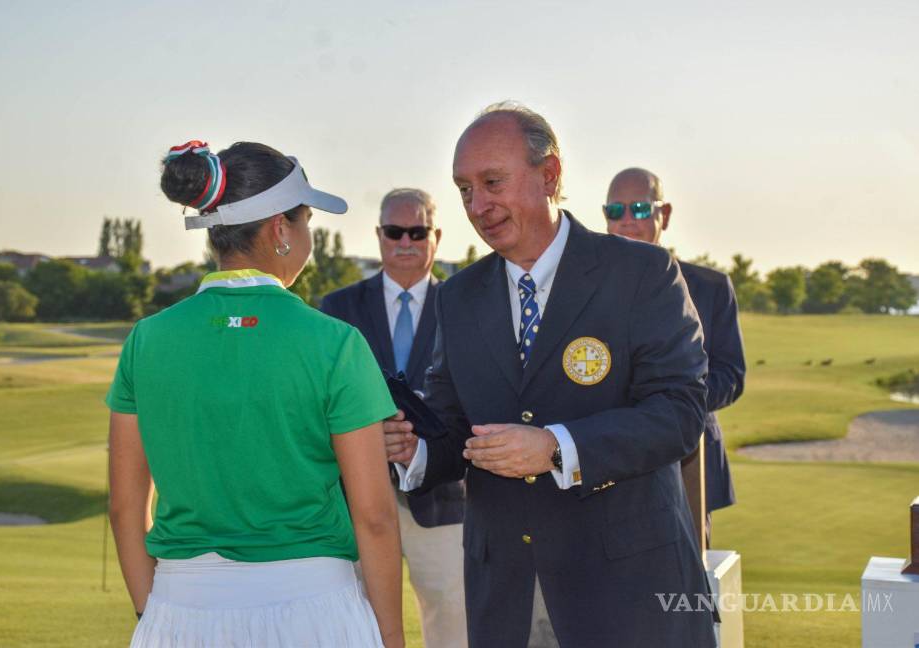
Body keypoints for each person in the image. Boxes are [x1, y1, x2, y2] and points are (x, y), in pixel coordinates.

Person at [384, 104, 717, 647]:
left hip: (628, 593)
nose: (478, 205)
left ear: (551, 175)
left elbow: (680, 413)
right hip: (507, 597)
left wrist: (557, 447)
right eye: (465, 189)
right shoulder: (459, 296)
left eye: (493, 182)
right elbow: (452, 420)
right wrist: (412, 447)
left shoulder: (639, 273)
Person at [106, 140, 404, 648]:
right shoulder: (334, 342)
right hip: (315, 612)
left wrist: (151, 612)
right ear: (278, 230)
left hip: (180, 610)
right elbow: (374, 517)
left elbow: (125, 508)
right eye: (306, 219)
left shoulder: (147, 339)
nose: (309, 235)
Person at [320, 188, 467, 648]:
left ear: (436, 236)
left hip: (443, 498)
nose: (405, 241)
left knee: (454, 619)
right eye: (394, 231)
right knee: (358, 621)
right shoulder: (338, 309)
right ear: (379, 235)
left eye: (417, 232)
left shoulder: (465, 306)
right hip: (357, 495)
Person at [603, 167, 745, 544]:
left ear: (663, 214)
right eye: (615, 211)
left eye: (639, 208)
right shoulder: (586, 291)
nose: (627, 221)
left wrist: (669, 408)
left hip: (690, 460)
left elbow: (731, 374)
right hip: (609, 462)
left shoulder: (711, 288)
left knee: (687, 592)